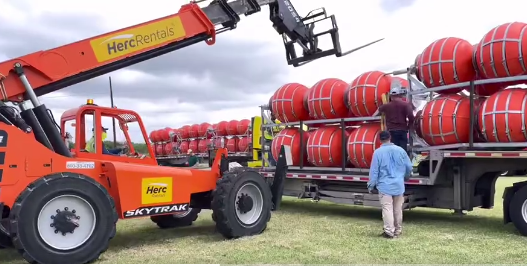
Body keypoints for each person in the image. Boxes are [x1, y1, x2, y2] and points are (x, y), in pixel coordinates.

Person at [367, 131, 413, 239]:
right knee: (397, 209)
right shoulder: (400, 150)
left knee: (387, 208)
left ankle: (389, 231)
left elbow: (374, 172)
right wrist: (406, 177)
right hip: (398, 185)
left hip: (384, 186)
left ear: (380, 140)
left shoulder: (378, 153)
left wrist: (370, 185)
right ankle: (398, 230)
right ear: (390, 138)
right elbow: (409, 167)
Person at [378, 87, 414, 152]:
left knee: (394, 151)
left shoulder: (387, 106)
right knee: (403, 150)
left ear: (391, 96)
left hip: (392, 131)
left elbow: (379, 110)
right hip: (403, 130)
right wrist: (409, 126)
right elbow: (411, 116)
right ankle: (403, 161)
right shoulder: (405, 104)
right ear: (399, 95)